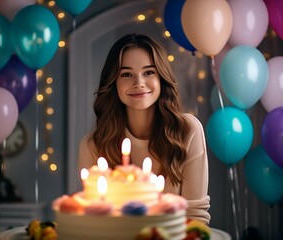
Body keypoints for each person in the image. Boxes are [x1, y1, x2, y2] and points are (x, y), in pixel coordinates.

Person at [78, 33, 210, 224]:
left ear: (161, 78)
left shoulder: (188, 130)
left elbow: (195, 217)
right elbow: (94, 222)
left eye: (149, 72)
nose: (139, 82)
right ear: (113, 82)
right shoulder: (92, 145)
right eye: (126, 74)